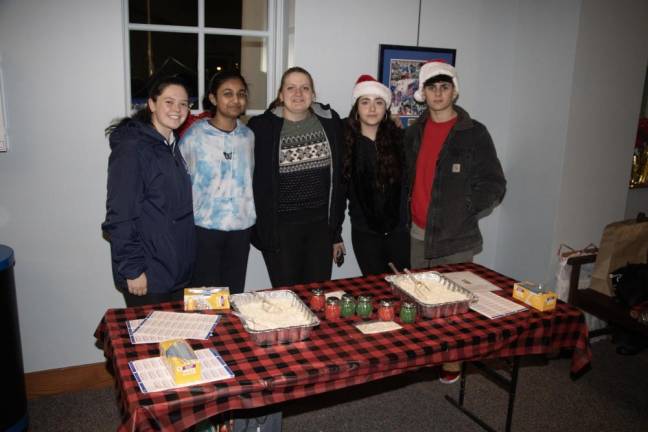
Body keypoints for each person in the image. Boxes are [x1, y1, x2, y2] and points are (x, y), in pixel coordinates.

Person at [404, 61, 506, 383]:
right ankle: (427, 358)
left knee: (454, 307)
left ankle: (452, 364)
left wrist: (465, 208)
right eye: (432, 87)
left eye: (444, 86)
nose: (438, 93)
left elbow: (494, 183)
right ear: (423, 93)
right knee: (421, 301)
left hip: (457, 237)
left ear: (454, 90)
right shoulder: (412, 133)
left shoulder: (474, 133)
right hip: (418, 233)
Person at [248, 66, 345, 288]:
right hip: (280, 229)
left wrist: (335, 233)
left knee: (317, 294)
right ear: (281, 95)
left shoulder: (331, 123)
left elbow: (341, 180)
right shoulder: (261, 128)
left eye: (305, 88)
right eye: (291, 88)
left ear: (313, 94)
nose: (298, 94)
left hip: (320, 228)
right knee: (287, 298)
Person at [102, 76, 195, 307]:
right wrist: (132, 270)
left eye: (183, 104)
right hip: (148, 273)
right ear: (152, 104)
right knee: (151, 342)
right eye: (169, 102)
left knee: (175, 340)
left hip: (174, 268)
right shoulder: (132, 148)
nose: (177, 109)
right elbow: (120, 214)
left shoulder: (171, 144)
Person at [179, 70, 255, 295]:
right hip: (204, 230)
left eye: (241, 94)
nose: (235, 100)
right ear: (213, 98)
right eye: (227, 94)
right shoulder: (195, 136)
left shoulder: (248, 137)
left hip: (241, 230)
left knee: (233, 295)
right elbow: (181, 180)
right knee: (204, 297)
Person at [340, 75, 409, 276]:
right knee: (374, 289)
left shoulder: (400, 140)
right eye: (365, 102)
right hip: (365, 233)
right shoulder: (344, 140)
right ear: (356, 108)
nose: (372, 109)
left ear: (386, 109)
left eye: (378, 102)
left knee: (403, 287)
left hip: (398, 232)